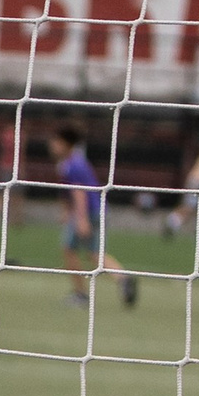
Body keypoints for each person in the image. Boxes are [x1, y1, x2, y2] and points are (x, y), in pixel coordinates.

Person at [51, 126, 137, 307]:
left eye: (56, 142)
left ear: (66, 144)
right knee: (94, 253)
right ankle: (122, 277)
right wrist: (67, 211)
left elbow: (79, 193)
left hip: (87, 213)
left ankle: (80, 294)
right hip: (98, 210)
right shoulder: (75, 162)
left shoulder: (71, 164)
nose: (52, 146)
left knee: (68, 249)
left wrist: (80, 219)